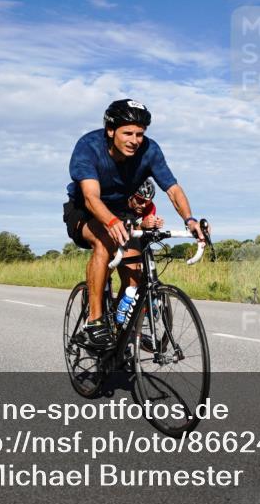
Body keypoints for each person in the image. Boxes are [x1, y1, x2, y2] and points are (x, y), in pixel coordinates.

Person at [63, 99, 204, 350]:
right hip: (85, 210)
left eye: (140, 134)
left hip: (122, 213)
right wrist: (111, 221)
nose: (134, 140)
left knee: (135, 270)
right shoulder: (89, 146)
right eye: (127, 133)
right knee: (104, 242)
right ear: (110, 130)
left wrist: (190, 220)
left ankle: (122, 327)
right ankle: (94, 322)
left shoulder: (149, 151)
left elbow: (172, 189)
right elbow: (90, 197)